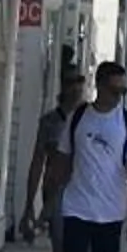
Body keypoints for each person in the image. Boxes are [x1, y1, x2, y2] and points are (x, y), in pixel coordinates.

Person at [55, 60, 127, 252]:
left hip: (111, 213)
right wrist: (51, 198)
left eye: (122, 91)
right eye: (113, 90)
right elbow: (62, 159)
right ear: (99, 85)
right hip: (76, 208)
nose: (118, 96)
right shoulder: (78, 117)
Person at [22, 71, 85, 242]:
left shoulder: (88, 119)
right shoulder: (49, 122)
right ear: (63, 87)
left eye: (79, 85)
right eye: (71, 84)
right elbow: (37, 162)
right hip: (55, 190)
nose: (75, 89)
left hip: (83, 190)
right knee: (59, 245)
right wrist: (29, 205)